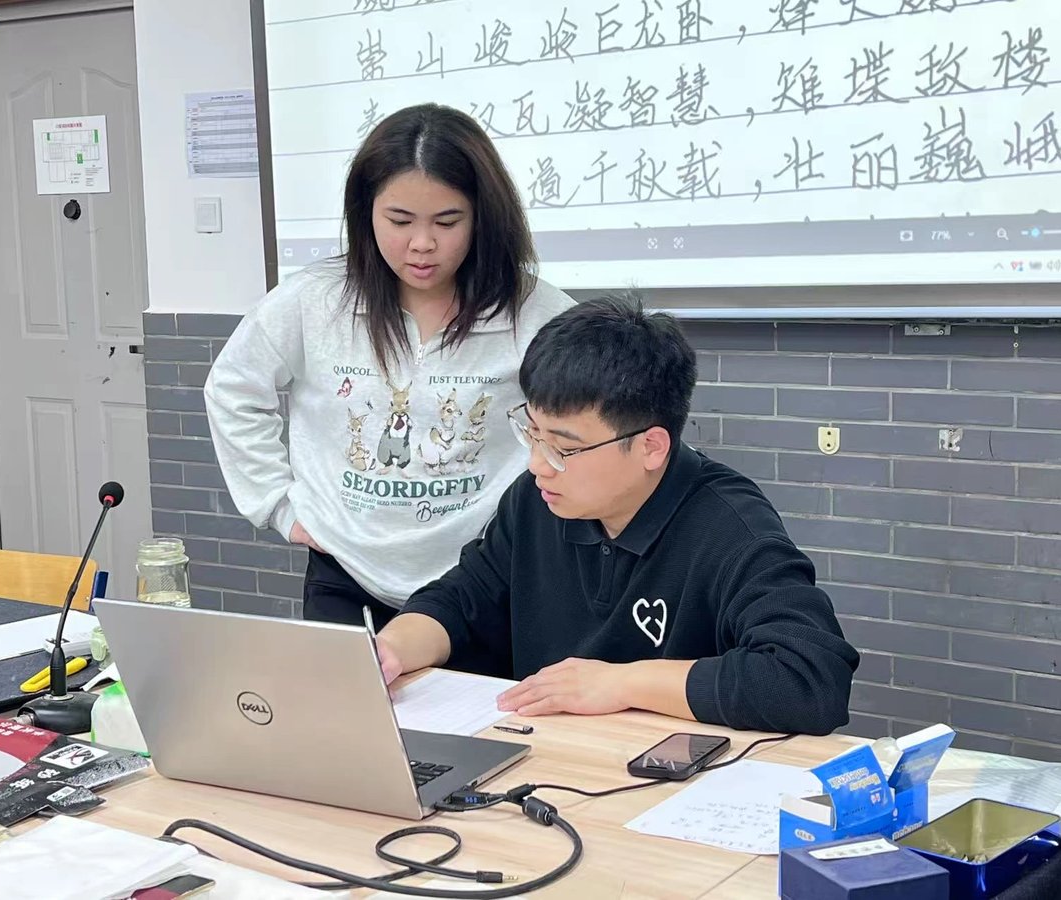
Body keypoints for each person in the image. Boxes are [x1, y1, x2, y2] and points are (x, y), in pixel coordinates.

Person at [375, 297, 859, 736]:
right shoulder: (537, 500)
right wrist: (390, 649)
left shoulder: (730, 528)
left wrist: (623, 683)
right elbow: (464, 600)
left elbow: (809, 681)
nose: (538, 464)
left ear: (651, 447)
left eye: (564, 447)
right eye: (532, 433)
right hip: (551, 762)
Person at [205, 103, 573, 627]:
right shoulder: (316, 301)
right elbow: (233, 388)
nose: (422, 244)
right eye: (399, 220)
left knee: (478, 712)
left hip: (485, 576)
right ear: (366, 212)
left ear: (483, 218)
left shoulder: (535, 312)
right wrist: (278, 507)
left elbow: (590, 419)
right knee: (346, 710)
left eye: (447, 221)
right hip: (347, 571)